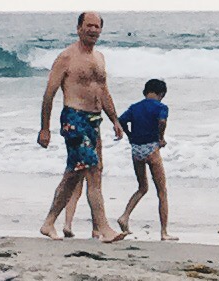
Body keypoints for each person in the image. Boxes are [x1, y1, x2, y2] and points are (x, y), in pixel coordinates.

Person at [36, 13, 125, 240]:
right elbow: (49, 94)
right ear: (78, 28)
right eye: (88, 26)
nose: (93, 30)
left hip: (94, 120)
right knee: (92, 170)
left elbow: (103, 91)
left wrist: (115, 120)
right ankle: (104, 228)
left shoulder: (99, 58)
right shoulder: (66, 57)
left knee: (75, 174)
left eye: (97, 26)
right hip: (74, 119)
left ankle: (49, 223)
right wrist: (44, 128)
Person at [116, 78, 171, 240]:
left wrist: (130, 135)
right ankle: (164, 232)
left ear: (145, 92)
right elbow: (162, 121)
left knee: (142, 187)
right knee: (162, 191)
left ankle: (125, 216)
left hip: (136, 149)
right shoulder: (161, 107)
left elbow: (121, 121)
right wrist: (161, 138)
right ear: (161, 94)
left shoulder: (135, 107)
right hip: (152, 149)